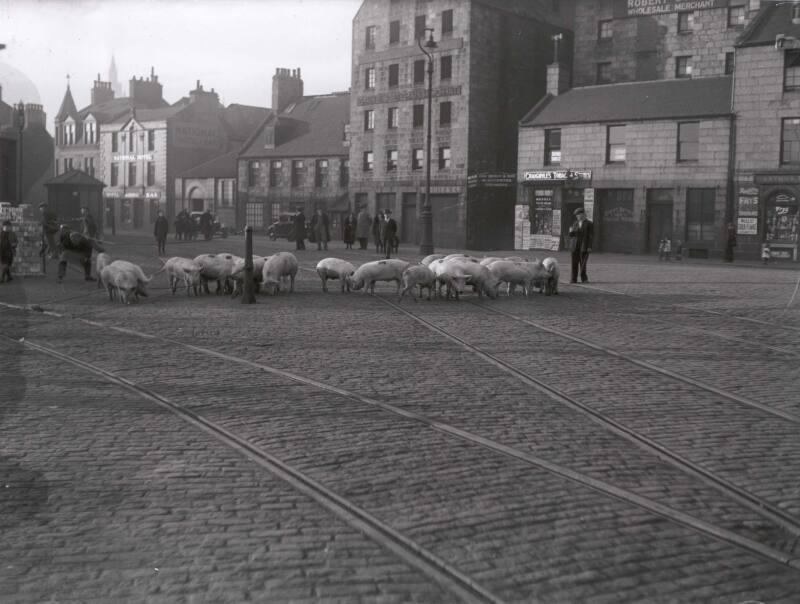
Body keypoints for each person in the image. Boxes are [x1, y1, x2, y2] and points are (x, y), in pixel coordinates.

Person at [568, 207, 593, 283]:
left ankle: (584, 279)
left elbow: (591, 236)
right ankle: (573, 279)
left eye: (578, 215)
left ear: (582, 214)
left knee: (583, 263)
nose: (577, 216)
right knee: (574, 263)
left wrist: (589, 246)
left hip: (584, 246)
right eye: (576, 215)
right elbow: (572, 235)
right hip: (574, 246)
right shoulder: (575, 223)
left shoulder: (589, 223)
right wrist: (570, 231)